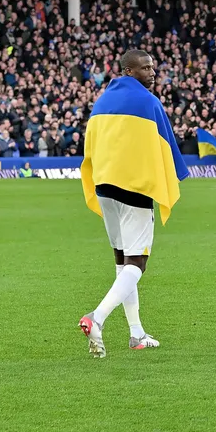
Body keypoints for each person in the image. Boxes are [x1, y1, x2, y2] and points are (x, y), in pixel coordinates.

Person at [77, 49, 189, 358]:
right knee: (137, 263)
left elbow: (91, 145)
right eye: (145, 68)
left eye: (153, 67)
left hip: (104, 186)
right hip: (133, 189)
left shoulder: (101, 102)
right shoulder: (148, 102)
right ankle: (96, 318)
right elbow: (165, 144)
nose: (152, 72)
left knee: (121, 259)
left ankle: (136, 333)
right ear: (129, 71)